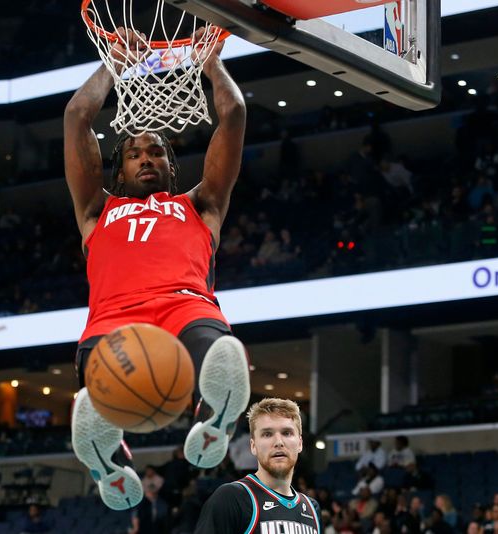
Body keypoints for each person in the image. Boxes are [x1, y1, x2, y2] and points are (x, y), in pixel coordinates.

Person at [65, 26, 249, 510]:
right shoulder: (94, 211)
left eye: (156, 152)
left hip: (184, 306)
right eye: (133, 153)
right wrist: (115, 63)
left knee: (218, 353)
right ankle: (110, 462)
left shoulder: (201, 203)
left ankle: (214, 421)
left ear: (172, 167)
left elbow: (232, 115)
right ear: (118, 170)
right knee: (97, 398)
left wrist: (210, 61)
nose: (146, 158)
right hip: (112, 318)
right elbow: (77, 117)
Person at [194, 398, 321, 533]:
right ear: (253, 446)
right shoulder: (231, 498)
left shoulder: (312, 509)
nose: (278, 442)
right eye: (267, 434)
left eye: (287, 433)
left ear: (300, 444)